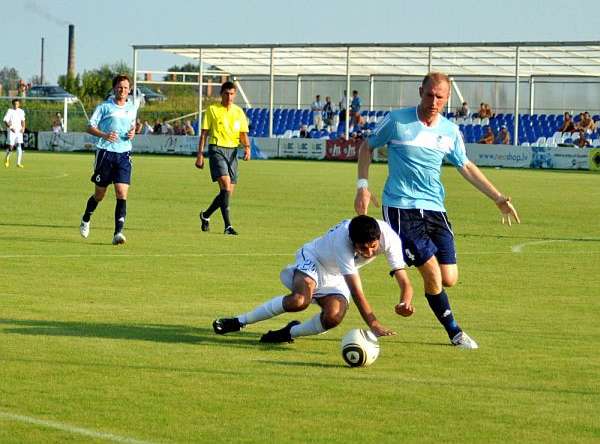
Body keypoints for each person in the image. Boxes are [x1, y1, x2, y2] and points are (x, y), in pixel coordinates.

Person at [354, 72, 521, 349]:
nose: (433, 101)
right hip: (400, 206)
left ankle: (408, 260)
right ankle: (455, 332)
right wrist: (363, 186)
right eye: (429, 95)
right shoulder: (396, 121)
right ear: (421, 92)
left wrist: (497, 197)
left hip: (435, 208)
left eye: (439, 97)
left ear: (447, 99)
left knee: (448, 278)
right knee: (431, 272)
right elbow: (366, 147)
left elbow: (465, 166)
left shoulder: (450, 131)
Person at [212, 215, 414, 343]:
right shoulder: (343, 241)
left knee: (333, 317)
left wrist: (405, 302)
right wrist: (374, 324)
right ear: (353, 241)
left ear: (378, 237)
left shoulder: (390, 239)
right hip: (314, 260)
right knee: (299, 301)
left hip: (337, 275)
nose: (369, 252)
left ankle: (290, 333)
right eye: (363, 248)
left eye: (373, 246)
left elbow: (404, 280)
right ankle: (239, 321)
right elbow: (356, 291)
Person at [79, 74, 138, 245]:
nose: (123, 90)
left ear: (129, 90)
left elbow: (133, 127)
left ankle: (117, 233)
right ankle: (86, 217)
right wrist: (104, 135)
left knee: (121, 193)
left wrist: (133, 133)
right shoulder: (104, 107)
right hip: (105, 153)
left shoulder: (132, 108)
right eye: (120, 87)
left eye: (126, 88)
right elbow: (89, 127)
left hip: (124, 154)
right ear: (114, 88)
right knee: (99, 195)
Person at [196, 81, 250, 235]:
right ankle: (228, 226)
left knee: (227, 193)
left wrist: (247, 148)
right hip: (216, 149)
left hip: (233, 151)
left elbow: (243, 133)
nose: (229, 96)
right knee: (225, 187)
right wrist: (200, 155)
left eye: (232, 93)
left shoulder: (239, 112)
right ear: (221, 94)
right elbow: (204, 134)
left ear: (235, 95)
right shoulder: (212, 110)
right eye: (227, 93)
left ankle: (205, 215)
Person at [3, 99, 26, 168]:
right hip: (11, 131)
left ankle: (18, 163)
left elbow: (23, 120)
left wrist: (23, 128)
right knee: (11, 147)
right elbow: (6, 121)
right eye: (14, 104)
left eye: (17, 104)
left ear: (19, 104)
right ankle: (7, 158)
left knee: (19, 145)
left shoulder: (21, 111)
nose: (16, 105)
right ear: (12, 104)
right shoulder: (9, 111)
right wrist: (10, 127)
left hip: (19, 131)